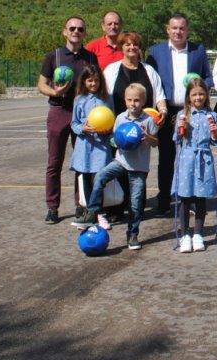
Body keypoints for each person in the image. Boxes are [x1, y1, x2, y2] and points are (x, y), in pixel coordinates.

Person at [77, 83, 159, 250]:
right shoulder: (121, 118)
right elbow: (114, 139)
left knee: (135, 204)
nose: (133, 104)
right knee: (100, 176)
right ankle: (93, 211)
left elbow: (155, 143)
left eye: (137, 100)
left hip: (139, 168)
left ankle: (132, 234)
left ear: (143, 101)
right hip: (121, 162)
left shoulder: (148, 120)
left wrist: (147, 137)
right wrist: (117, 141)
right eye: (129, 100)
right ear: (125, 100)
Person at [146, 13, 213, 215]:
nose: (178, 32)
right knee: (166, 157)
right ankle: (164, 200)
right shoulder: (155, 51)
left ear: (187, 30)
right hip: (166, 111)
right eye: (174, 28)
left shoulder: (198, 50)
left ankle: (190, 199)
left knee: (190, 157)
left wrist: (200, 89)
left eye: (182, 28)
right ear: (167, 30)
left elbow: (208, 78)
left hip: (191, 111)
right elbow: (150, 80)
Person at [37, 16, 98, 224]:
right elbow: (41, 84)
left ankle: (81, 204)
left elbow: (96, 83)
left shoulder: (90, 57)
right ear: (65, 31)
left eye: (80, 29)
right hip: (59, 111)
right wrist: (55, 92)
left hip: (83, 113)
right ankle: (52, 207)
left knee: (82, 161)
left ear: (84, 33)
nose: (76, 32)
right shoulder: (53, 56)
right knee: (54, 162)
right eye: (72, 28)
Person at [172, 77, 217, 252]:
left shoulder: (212, 115)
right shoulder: (182, 114)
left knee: (200, 197)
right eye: (194, 95)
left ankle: (198, 234)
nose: (198, 97)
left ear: (206, 95)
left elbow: (215, 142)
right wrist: (180, 129)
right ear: (188, 97)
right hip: (187, 159)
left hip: (204, 159)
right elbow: (176, 140)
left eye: (201, 94)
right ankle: (185, 235)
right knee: (185, 198)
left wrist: (214, 134)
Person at [69, 65, 113, 229]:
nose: (93, 84)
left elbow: (112, 119)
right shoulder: (79, 99)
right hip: (85, 146)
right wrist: (83, 128)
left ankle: (100, 213)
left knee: (99, 179)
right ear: (84, 82)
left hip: (101, 146)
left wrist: (108, 130)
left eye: (96, 80)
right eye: (90, 80)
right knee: (86, 178)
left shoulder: (107, 99)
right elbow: (74, 123)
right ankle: (90, 213)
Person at [103, 32, 167, 115]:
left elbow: (159, 96)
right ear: (121, 47)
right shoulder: (110, 70)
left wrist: (163, 110)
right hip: (117, 121)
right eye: (128, 44)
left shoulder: (150, 70)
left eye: (135, 44)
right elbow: (102, 96)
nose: (132, 47)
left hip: (147, 121)